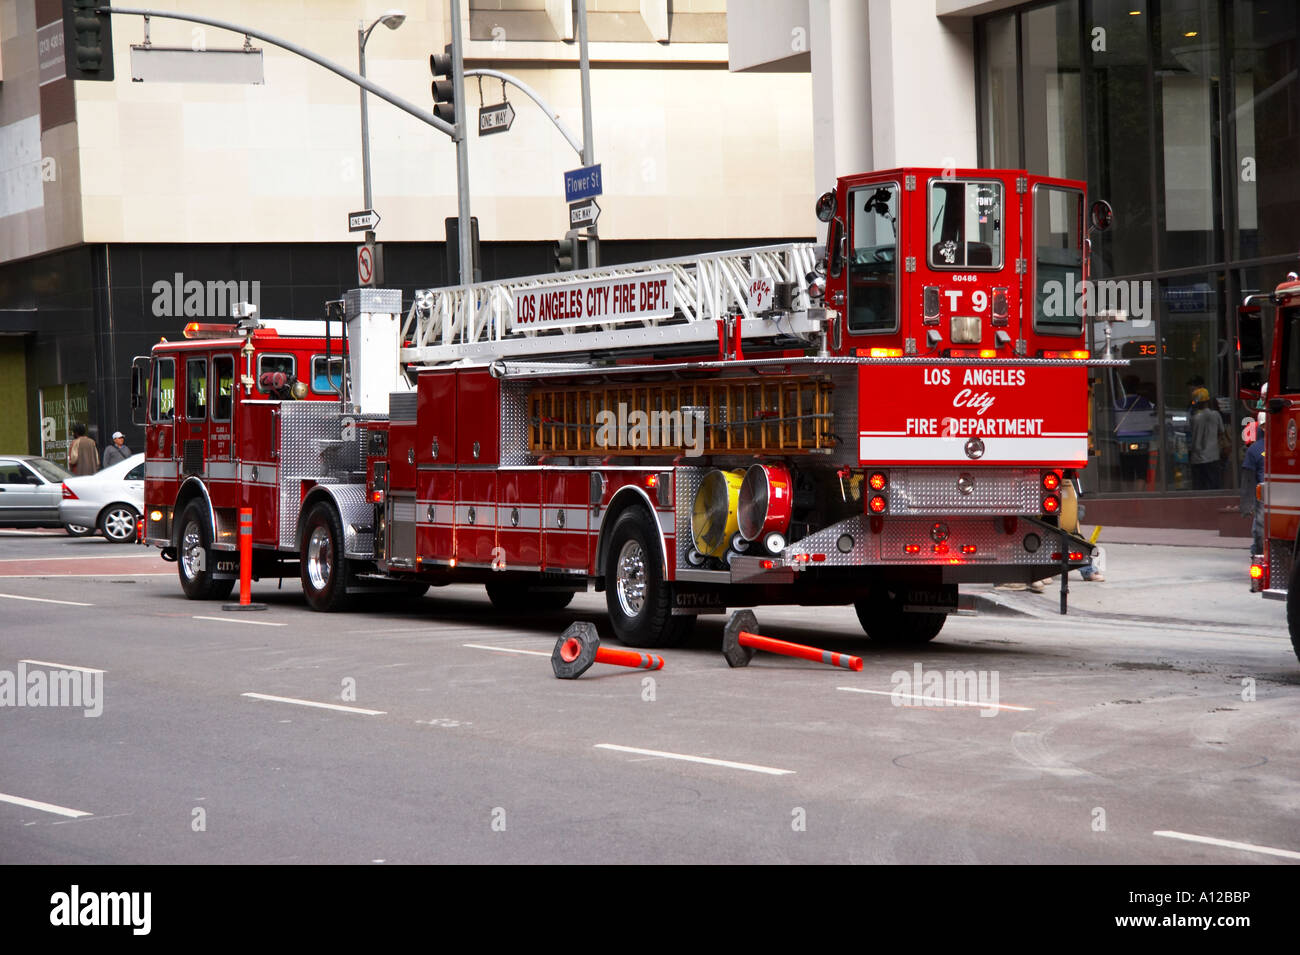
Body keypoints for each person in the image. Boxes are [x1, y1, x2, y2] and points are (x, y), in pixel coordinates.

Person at [1188, 387, 1224, 490]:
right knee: (1214, 487)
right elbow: (1221, 432)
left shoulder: (1194, 418)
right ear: (1208, 400)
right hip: (1213, 456)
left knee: (1199, 488)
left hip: (1197, 458)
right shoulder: (1216, 415)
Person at [1241, 413, 1266, 555]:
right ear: (1262, 426)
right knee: (1259, 529)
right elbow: (1248, 478)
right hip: (1263, 497)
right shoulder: (1255, 449)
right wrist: (1247, 504)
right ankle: (1258, 552)